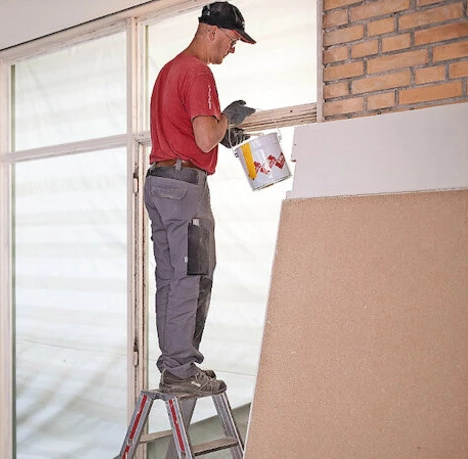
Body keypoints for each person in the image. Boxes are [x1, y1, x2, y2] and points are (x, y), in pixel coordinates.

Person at [145, 1, 257, 398]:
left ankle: (173, 364)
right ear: (211, 31)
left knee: (171, 278)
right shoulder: (198, 72)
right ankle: (181, 369)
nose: (232, 48)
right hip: (184, 189)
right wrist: (227, 119)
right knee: (194, 276)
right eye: (231, 40)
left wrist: (218, 130)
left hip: (160, 181)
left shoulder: (169, 71)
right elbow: (206, 137)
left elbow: (188, 133)